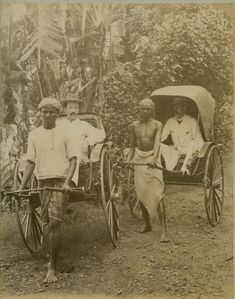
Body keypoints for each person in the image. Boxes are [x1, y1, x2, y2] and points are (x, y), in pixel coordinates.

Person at [18, 98, 78, 283]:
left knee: (54, 224)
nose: (48, 115)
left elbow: (74, 159)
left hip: (60, 181)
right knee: (45, 224)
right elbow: (30, 162)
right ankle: (52, 258)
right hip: (43, 182)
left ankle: (52, 268)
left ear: (58, 114)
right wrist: (21, 188)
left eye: (52, 111)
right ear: (40, 113)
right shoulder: (34, 134)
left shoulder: (66, 131)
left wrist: (68, 182)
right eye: (45, 111)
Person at [126, 98, 169, 243]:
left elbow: (157, 143)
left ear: (152, 110)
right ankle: (147, 224)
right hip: (139, 158)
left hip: (153, 158)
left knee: (158, 193)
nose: (143, 111)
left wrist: (154, 159)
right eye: (141, 108)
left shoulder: (158, 125)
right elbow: (132, 146)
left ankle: (164, 230)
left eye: (147, 109)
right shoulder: (133, 126)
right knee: (141, 192)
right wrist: (129, 159)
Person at [58, 94, 106, 185]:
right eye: (70, 107)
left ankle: (71, 183)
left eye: (76, 108)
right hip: (60, 153)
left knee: (74, 156)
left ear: (78, 110)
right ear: (65, 109)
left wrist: (87, 141)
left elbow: (101, 135)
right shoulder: (59, 124)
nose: (73, 110)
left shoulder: (83, 125)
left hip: (76, 154)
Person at [161, 96, 204, 173]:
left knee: (192, 143)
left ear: (184, 109)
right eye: (174, 107)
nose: (175, 110)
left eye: (178, 107)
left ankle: (184, 169)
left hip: (189, 149)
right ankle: (164, 170)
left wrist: (197, 151)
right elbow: (162, 137)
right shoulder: (170, 121)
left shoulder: (192, 121)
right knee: (160, 146)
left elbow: (198, 138)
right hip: (176, 149)